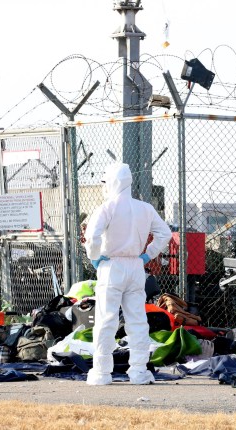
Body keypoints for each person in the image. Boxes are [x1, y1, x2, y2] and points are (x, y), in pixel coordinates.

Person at [84, 162, 172, 386]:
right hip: (136, 266)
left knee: (106, 319)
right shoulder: (145, 208)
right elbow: (164, 234)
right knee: (138, 321)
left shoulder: (107, 207)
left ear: (112, 182)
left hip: (111, 265)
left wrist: (94, 257)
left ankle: (102, 373)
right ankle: (139, 371)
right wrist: (147, 255)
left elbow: (92, 237)